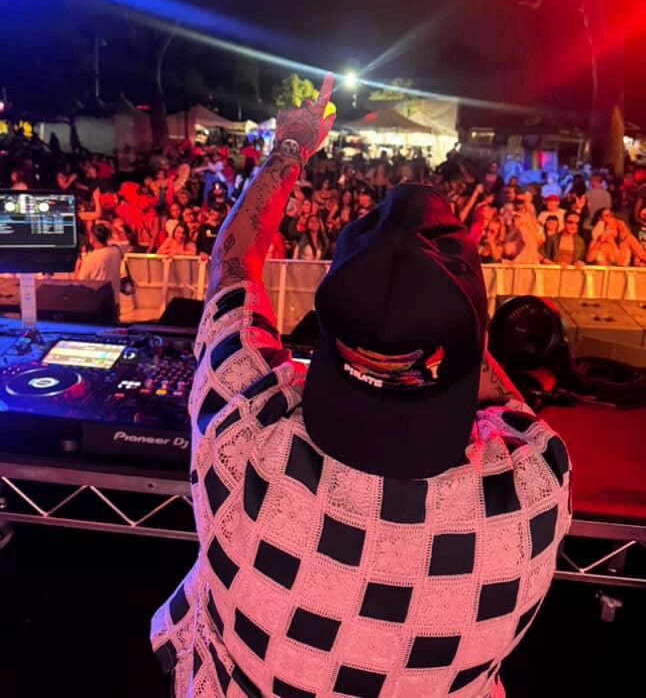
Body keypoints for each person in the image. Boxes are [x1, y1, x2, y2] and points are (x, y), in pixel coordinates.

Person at [151, 75, 571, 698]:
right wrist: (446, 312)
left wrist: (290, 146)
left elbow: (233, 266)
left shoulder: (240, 431)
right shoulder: (536, 485)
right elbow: (498, 394)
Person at [77, 223, 122, 318]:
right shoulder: (116, 251)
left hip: (98, 305)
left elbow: (81, 283)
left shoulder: (91, 259)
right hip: (115, 302)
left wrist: (77, 268)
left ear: (92, 238)